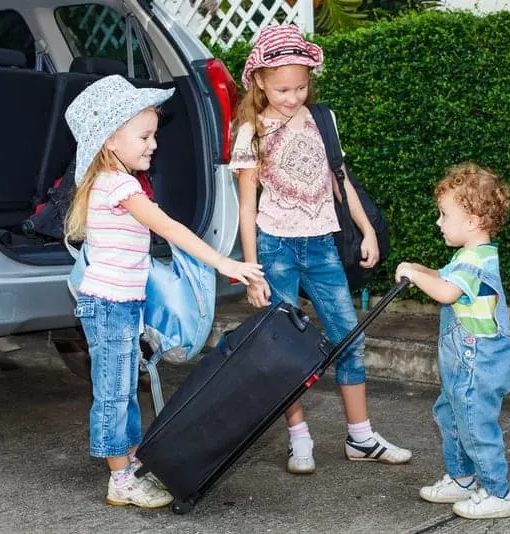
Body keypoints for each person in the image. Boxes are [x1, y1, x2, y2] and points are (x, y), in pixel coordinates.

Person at [64, 75, 264, 508]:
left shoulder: (115, 182)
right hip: (110, 306)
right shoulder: (120, 186)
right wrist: (224, 262)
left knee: (121, 388)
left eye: (153, 134)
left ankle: (129, 462)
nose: (153, 144)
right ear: (111, 139)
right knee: (114, 393)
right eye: (145, 135)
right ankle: (120, 478)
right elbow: (169, 228)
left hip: (118, 305)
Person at [230, 24, 412, 475]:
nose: (293, 97)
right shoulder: (251, 130)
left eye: (301, 86)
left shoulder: (321, 119)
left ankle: (361, 437)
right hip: (275, 248)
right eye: (282, 88)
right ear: (259, 82)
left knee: (349, 338)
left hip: (322, 246)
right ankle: (299, 439)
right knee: (286, 348)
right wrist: (251, 269)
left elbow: (340, 179)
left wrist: (367, 230)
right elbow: (246, 205)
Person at [395, 162, 510, 519]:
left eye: (444, 215)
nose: (439, 223)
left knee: (476, 424)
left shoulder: (478, 264)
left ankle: (497, 492)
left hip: (479, 364)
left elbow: (446, 292)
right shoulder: (466, 257)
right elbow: (444, 277)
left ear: (474, 220)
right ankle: (462, 478)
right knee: (451, 415)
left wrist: (417, 277)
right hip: (462, 364)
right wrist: (418, 269)